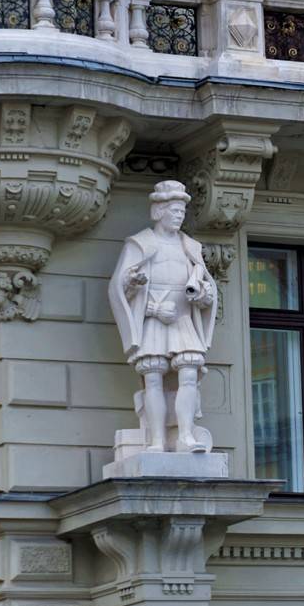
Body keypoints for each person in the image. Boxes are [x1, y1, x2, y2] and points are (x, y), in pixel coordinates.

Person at [108, 181, 217, 452]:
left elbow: (208, 293)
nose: (179, 215)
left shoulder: (190, 247)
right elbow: (119, 290)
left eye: (181, 210)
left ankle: (185, 435)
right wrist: (140, 292)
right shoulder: (140, 244)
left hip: (182, 319)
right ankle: (156, 440)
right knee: (153, 376)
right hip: (154, 320)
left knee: (189, 371)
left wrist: (201, 295)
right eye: (173, 210)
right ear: (159, 211)